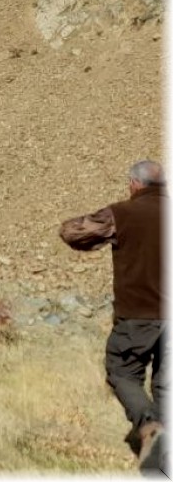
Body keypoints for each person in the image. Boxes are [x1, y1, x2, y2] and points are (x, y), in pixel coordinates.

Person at [60, 159, 166, 473]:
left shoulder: (123, 213)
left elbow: (73, 233)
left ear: (135, 183)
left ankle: (151, 428)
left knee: (122, 372)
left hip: (138, 314)